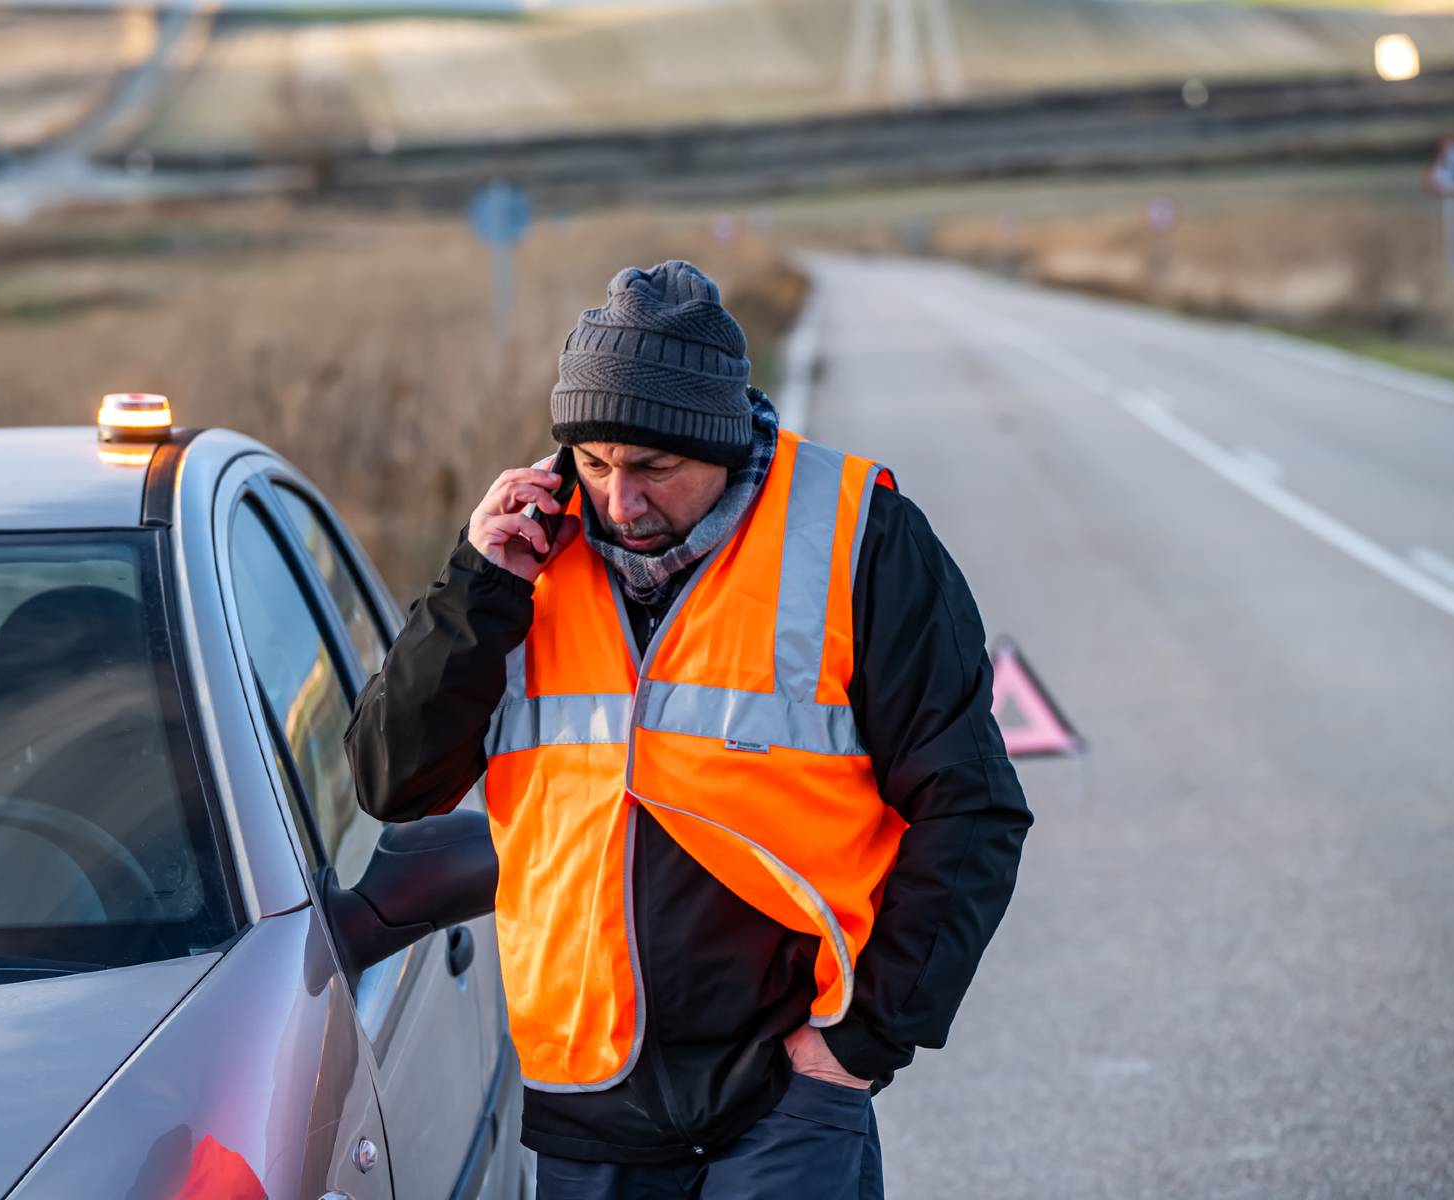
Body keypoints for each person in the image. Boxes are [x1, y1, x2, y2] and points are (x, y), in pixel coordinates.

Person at [346, 259, 1032, 1198]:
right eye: (594, 466)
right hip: (586, 1105)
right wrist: (478, 583)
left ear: (721, 444)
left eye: (654, 470)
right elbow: (394, 783)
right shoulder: (521, 559)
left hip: (786, 1099)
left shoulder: (859, 538)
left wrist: (862, 1037)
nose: (620, 503)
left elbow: (974, 810)